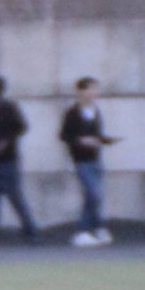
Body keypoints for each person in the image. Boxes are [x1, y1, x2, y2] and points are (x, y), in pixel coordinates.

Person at [0, 75, 39, 245]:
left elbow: (21, 127)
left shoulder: (8, 107)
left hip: (7, 161)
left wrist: (5, 142)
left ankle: (31, 231)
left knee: (15, 197)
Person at [61, 77, 118, 246]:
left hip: (95, 159)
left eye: (95, 89)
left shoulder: (95, 111)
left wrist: (103, 140)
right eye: (90, 89)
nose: (94, 93)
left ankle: (98, 227)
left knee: (94, 197)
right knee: (94, 194)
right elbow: (64, 135)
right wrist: (81, 140)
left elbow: (97, 133)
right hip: (81, 160)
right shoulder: (73, 113)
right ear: (81, 91)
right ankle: (82, 230)